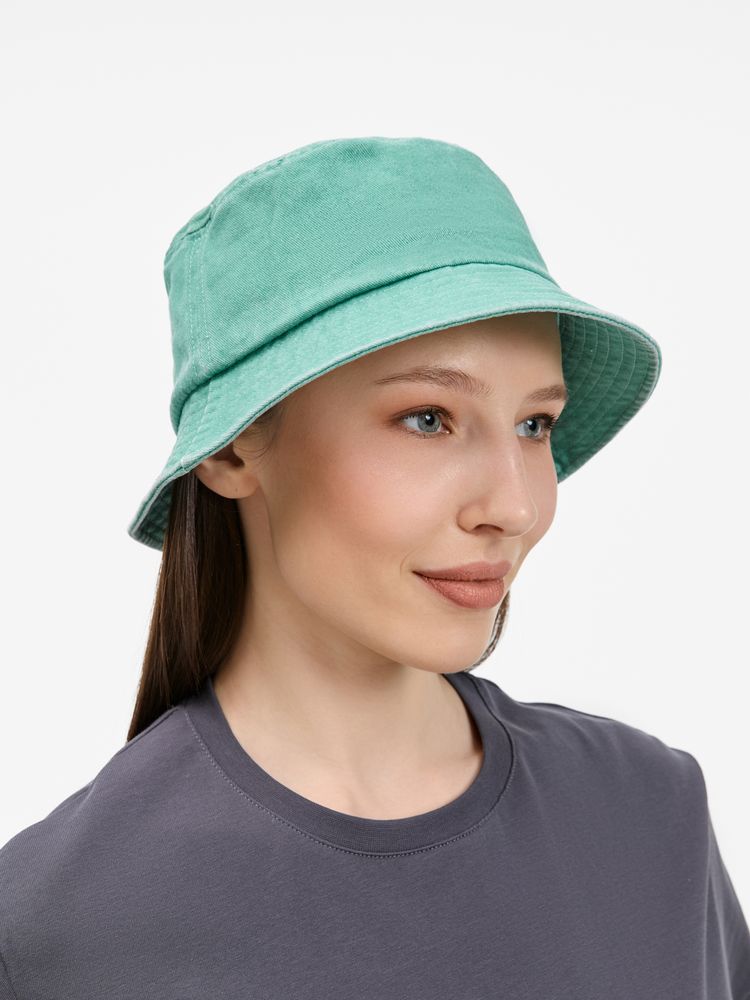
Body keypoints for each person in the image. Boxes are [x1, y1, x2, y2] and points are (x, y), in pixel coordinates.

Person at [1, 136, 748, 999]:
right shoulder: (60, 927)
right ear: (235, 448)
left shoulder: (648, 814)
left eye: (534, 425)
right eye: (428, 418)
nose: (513, 505)